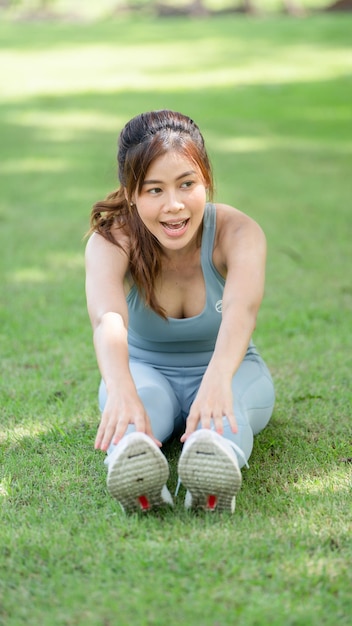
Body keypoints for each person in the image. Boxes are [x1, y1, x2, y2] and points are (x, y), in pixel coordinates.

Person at [85, 109, 275, 514]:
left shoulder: (239, 234)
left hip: (231, 365)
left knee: (223, 415)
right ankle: (134, 467)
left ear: (205, 179)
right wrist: (120, 388)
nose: (174, 206)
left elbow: (241, 311)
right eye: (154, 190)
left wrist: (219, 377)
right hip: (143, 367)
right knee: (142, 403)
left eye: (186, 184)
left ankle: (212, 470)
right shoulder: (112, 241)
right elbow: (108, 319)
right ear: (131, 191)